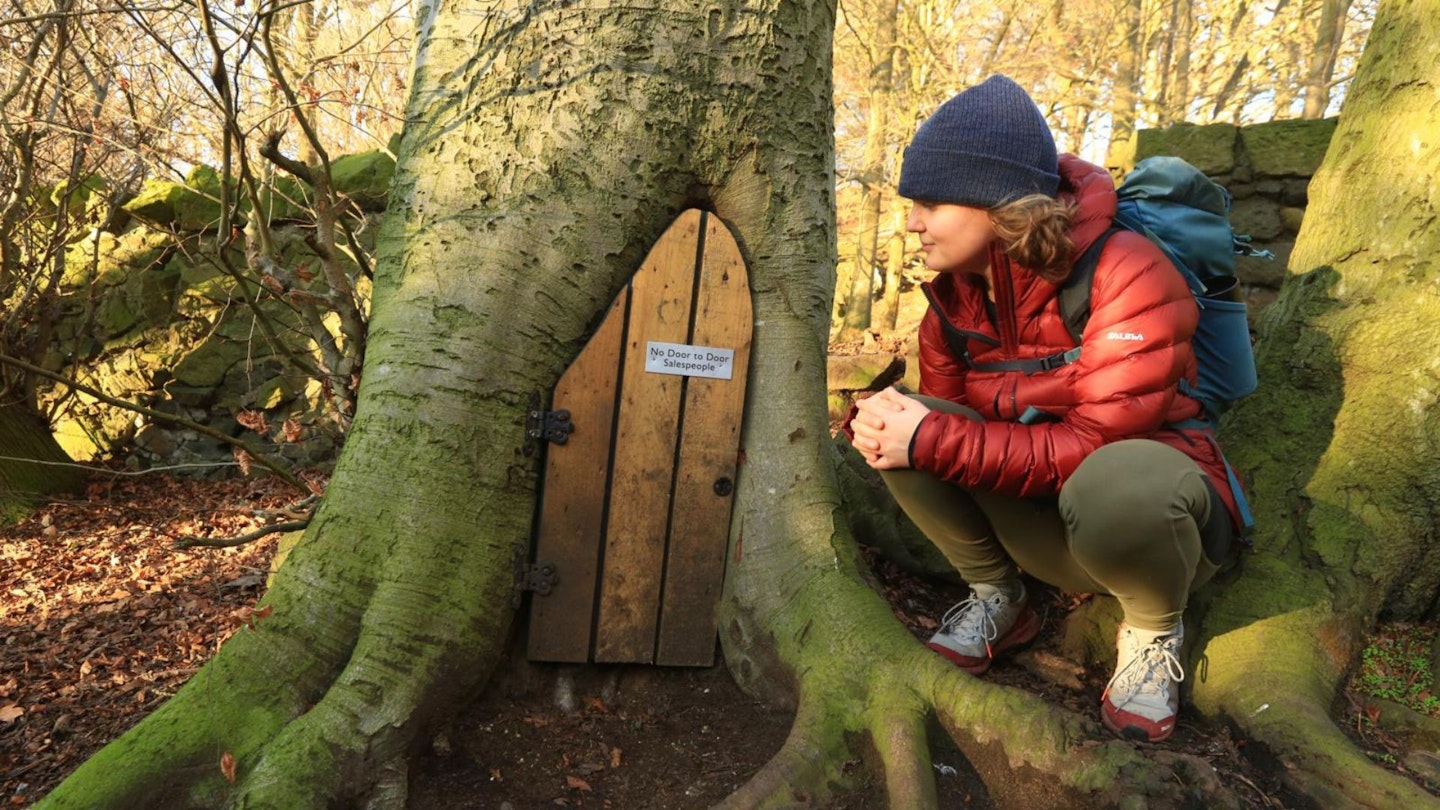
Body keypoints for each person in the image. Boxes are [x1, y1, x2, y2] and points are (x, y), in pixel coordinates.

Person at [846, 75, 1242, 744]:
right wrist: (913, 431)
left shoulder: (1128, 270)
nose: (912, 222)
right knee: (899, 418)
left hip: (1151, 529)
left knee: (1114, 479)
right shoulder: (952, 302)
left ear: (996, 204)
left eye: (931, 202)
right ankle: (1000, 598)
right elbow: (940, 423)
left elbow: (1096, 443)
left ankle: (1151, 632)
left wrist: (935, 439)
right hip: (1042, 525)